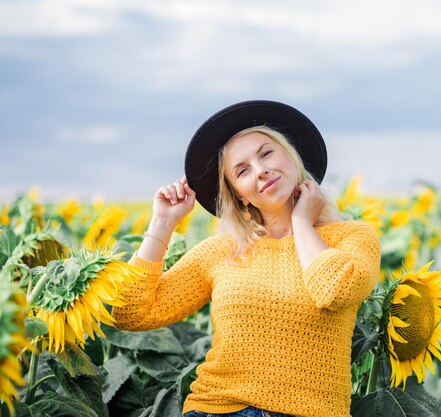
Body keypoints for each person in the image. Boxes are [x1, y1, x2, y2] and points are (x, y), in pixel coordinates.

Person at [111, 100, 381, 417]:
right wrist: (163, 223)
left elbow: (335, 290)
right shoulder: (222, 251)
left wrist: (302, 223)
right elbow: (130, 313)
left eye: (266, 153)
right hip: (217, 409)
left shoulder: (352, 237)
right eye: (242, 170)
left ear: (291, 156)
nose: (260, 170)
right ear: (240, 194)